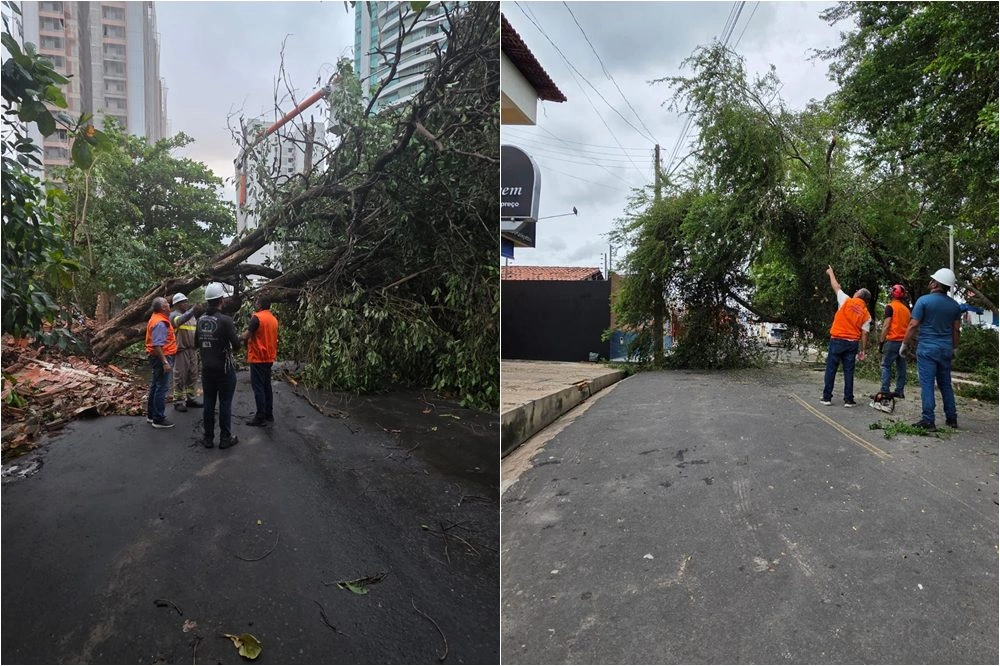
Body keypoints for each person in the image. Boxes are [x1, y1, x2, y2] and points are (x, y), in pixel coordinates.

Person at [901, 268, 962, 431]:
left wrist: (904, 344)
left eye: (932, 280)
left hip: (927, 349)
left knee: (927, 384)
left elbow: (913, 324)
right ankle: (952, 418)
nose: (930, 282)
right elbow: (956, 330)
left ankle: (928, 420)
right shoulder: (955, 306)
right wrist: (954, 348)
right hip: (945, 349)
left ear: (936, 283)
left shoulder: (923, 301)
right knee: (945, 384)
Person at [195, 283, 241, 448]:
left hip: (207, 368)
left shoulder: (200, 320)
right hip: (224, 369)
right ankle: (225, 438)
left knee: (208, 402)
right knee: (225, 403)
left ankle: (208, 438)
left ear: (208, 301)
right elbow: (236, 345)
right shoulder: (226, 320)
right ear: (221, 300)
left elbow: (196, 343)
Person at [821, 265, 872, 407]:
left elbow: (836, 286)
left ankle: (827, 398)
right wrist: (862, 350)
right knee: (849, 371)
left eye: (857, 291)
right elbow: (865, 333)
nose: (855, 292)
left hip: (837, 340)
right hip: (852, 344)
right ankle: (848, 400)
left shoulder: (846, 301)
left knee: (831, 369)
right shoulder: (866, 314)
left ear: (858, 295)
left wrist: (831, 272)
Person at [242, 296, 279, 427]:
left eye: (257, 302)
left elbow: (247, 335)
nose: (255, 304)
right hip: (269, 357)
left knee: (258, 388)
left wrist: (235, 338)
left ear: (261, 304)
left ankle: (260, 417)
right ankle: (269, 414)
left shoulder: (257, 318)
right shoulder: (273, 319)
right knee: (266, 386)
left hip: (258, 357)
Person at [145, 296, 176, 429]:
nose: (169, 305)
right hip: (162, 357)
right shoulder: (160, 323)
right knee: (161, 388)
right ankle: (158, 418)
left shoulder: (156, 317)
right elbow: (157, 344)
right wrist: (164, 362)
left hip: (157, 357)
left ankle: (151, 415)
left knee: (155, 386)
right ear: (163, 307)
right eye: (167, 304)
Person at [169, 293, 203, 412]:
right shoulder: (174, 316)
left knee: (192, 375)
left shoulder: (191, 317)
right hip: (181, 351)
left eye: (186, 301)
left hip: (192, 350)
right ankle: (178, 401)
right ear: (177, 304)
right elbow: (180, 321)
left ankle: (191, 399)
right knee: (180, 376)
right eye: (183, 302)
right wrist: (193, 309)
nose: (186, 304)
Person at [878, 284, 911, 399]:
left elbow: (886, 325)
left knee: (886, 366)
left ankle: (885, 391)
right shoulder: (906, 310)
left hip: (892, 341)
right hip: (903, 343)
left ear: (892, 294)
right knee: (901, 368)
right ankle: (899, 391)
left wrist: (881, 342)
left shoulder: (890, 307)